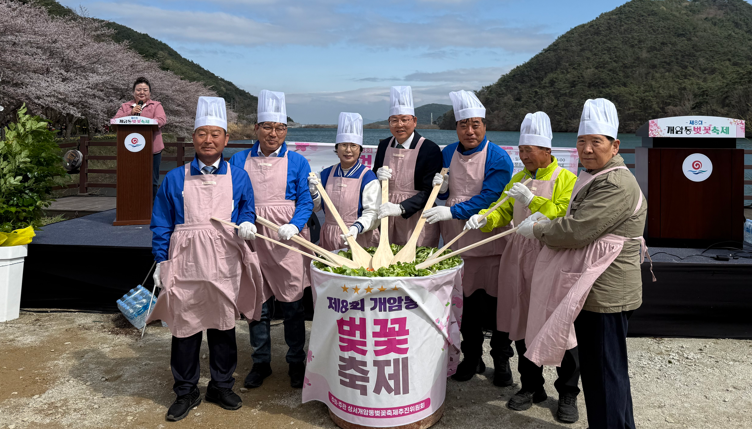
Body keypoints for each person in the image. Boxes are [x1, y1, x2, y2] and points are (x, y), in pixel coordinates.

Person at [519, 99, 648, 429]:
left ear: (615, 146)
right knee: (605, 370)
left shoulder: (615, 183)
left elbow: (577, 231)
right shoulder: (595, 175)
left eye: (596, 142)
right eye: (581, 142)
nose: (587, 149)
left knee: (603, 373)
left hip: (607, 292)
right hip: (595, 286)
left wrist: (537, 229)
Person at [147, 96, 263, 422]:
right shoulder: (174, 178)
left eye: (215, 134)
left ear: (226, 139)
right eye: (202, 133)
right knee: (185, 327)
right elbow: (161, 222)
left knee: (223, 326)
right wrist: (161, 260)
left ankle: (221, 385)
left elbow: (247, 208)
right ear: (193, 138)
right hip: (186, 263)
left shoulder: (239, 177)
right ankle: (185, 390)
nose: (208, 140)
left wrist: (248, 223)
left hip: (225, 262)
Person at [465, 112, 580, 423]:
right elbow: (501, 210)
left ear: (547, 150)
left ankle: (568, 391)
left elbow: (563, 215)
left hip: (551, 254)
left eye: (530, 150)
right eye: (521, 150)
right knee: (522, 320)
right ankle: (531, 386)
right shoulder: (518, 179)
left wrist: (532, 200)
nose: (525, 155)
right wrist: (483, 219)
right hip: (517, 256)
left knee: (560, 323)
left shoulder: (567, 179)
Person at [421, 90, 514, 384]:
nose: (470, 131)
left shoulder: (498, 157)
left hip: (490, 244)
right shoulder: (447, 153)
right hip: (457, 244)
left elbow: (491, 198)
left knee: (499, 307)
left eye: (475, 125)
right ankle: (472, 358)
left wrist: (451, 211)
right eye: (464, 125)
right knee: (466, 307)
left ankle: (502, 359)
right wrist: (443, 191)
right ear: (456, 128)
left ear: (484, 126)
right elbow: (444, 192)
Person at [229, 90, 313, 390]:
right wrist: (241, 220)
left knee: (293, 304)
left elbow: (305, 201)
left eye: (279, 128)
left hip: (287, 239)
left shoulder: (298, 161)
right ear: (256, 129)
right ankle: (260, 362)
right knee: (258, 305)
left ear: (286, 131)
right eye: (267, 127)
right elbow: (232, 197)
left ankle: (296, 362)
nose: (273, 134)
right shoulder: (238, 159)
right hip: (252, 236)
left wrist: (295, 225)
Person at [372, 86, 442, 247]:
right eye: (394, 120)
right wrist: (376, 176)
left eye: (404, 119)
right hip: (386, 213)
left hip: (417, 217)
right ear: (389, 122)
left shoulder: (429, 149)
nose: (400, 125)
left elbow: (428, 191)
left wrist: (401, 208)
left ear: (414, 121)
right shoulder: (384, 145)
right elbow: (375, 176)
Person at [308, 112, 381, 250]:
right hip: (329, 235)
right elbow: (316, 208)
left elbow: (373, 213)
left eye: (353, 145)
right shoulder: (325, 174)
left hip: (360, 237)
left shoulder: (368, 177)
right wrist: (313, 193)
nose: (348, 150)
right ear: (337, 148)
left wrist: (357, 227)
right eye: (343, 145)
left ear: (360, 150)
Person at [113, 77, 167, 198]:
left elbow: (161, 120)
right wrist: (130, 113)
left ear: (150, 93)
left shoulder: (156, 105)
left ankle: (152, 206)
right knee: (130, 179)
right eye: (138, 90)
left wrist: (144, 121)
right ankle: (131, 205)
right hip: (129, 150)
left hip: (152, 150)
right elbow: (115, 120)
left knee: (152, 180)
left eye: (145, 90)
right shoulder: (125, 106)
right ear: (133, 92)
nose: (142, 92)